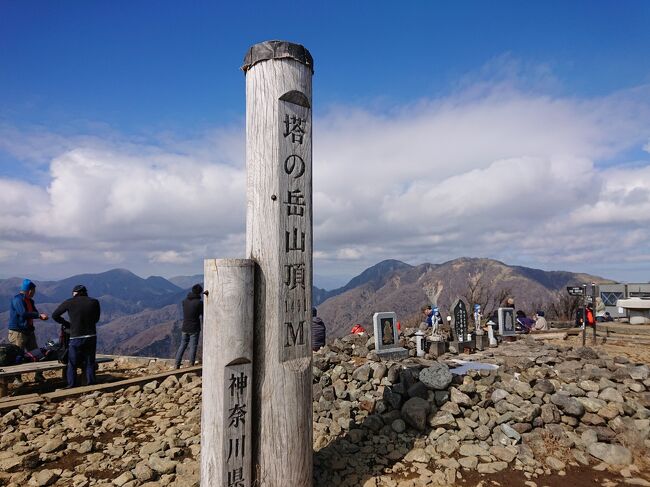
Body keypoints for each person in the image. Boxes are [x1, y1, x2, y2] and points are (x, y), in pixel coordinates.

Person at [52, 285, 101, 388]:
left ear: (75, 293)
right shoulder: (94, 302)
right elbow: (96, 319)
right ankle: (91, 383)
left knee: (72, 362)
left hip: (75, 336)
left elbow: (55, 315)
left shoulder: (69, 302)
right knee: (89, 361)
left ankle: (72, 384)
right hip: (91, 335)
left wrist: (67, 323)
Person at [8, 279, 49, 383]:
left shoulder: (30, 301)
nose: (34, 293)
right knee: (18, 355)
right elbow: (23, 313)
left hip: (29, 331)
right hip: (18, 332)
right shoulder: (17, 299)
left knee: (37, 354)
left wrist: (38, 315)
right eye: (34, 290)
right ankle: (17, 379)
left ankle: (38, 375)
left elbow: (33, 311)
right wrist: (39, 315)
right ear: (30, 290)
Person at [175, 284, 204, 368]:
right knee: (193, 346)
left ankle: (176, 364)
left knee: (182, 345)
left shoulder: (184, 301)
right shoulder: (199, 303)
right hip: (194, 327)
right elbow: (203, 314)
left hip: (185, 326)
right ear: (199, 293)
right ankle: (191, 364)